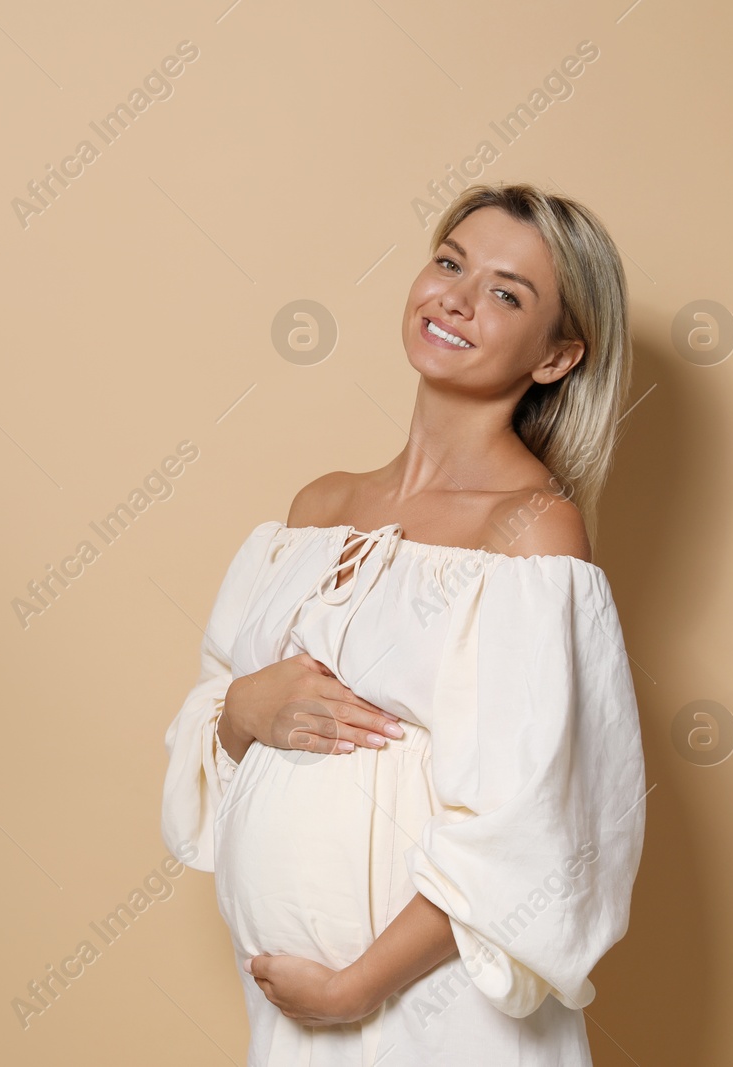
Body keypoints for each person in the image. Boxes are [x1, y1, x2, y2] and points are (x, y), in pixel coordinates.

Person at [161, 181, 647, 1065]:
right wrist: (247, 707)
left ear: (556, 356)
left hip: (441, 1013)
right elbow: (211, 730)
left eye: (507, 293)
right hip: (290, 1015)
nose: (457, 298)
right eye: (450, 262)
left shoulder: (535, 531)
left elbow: (534, 822)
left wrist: (357, 986)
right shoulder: (315, 511)